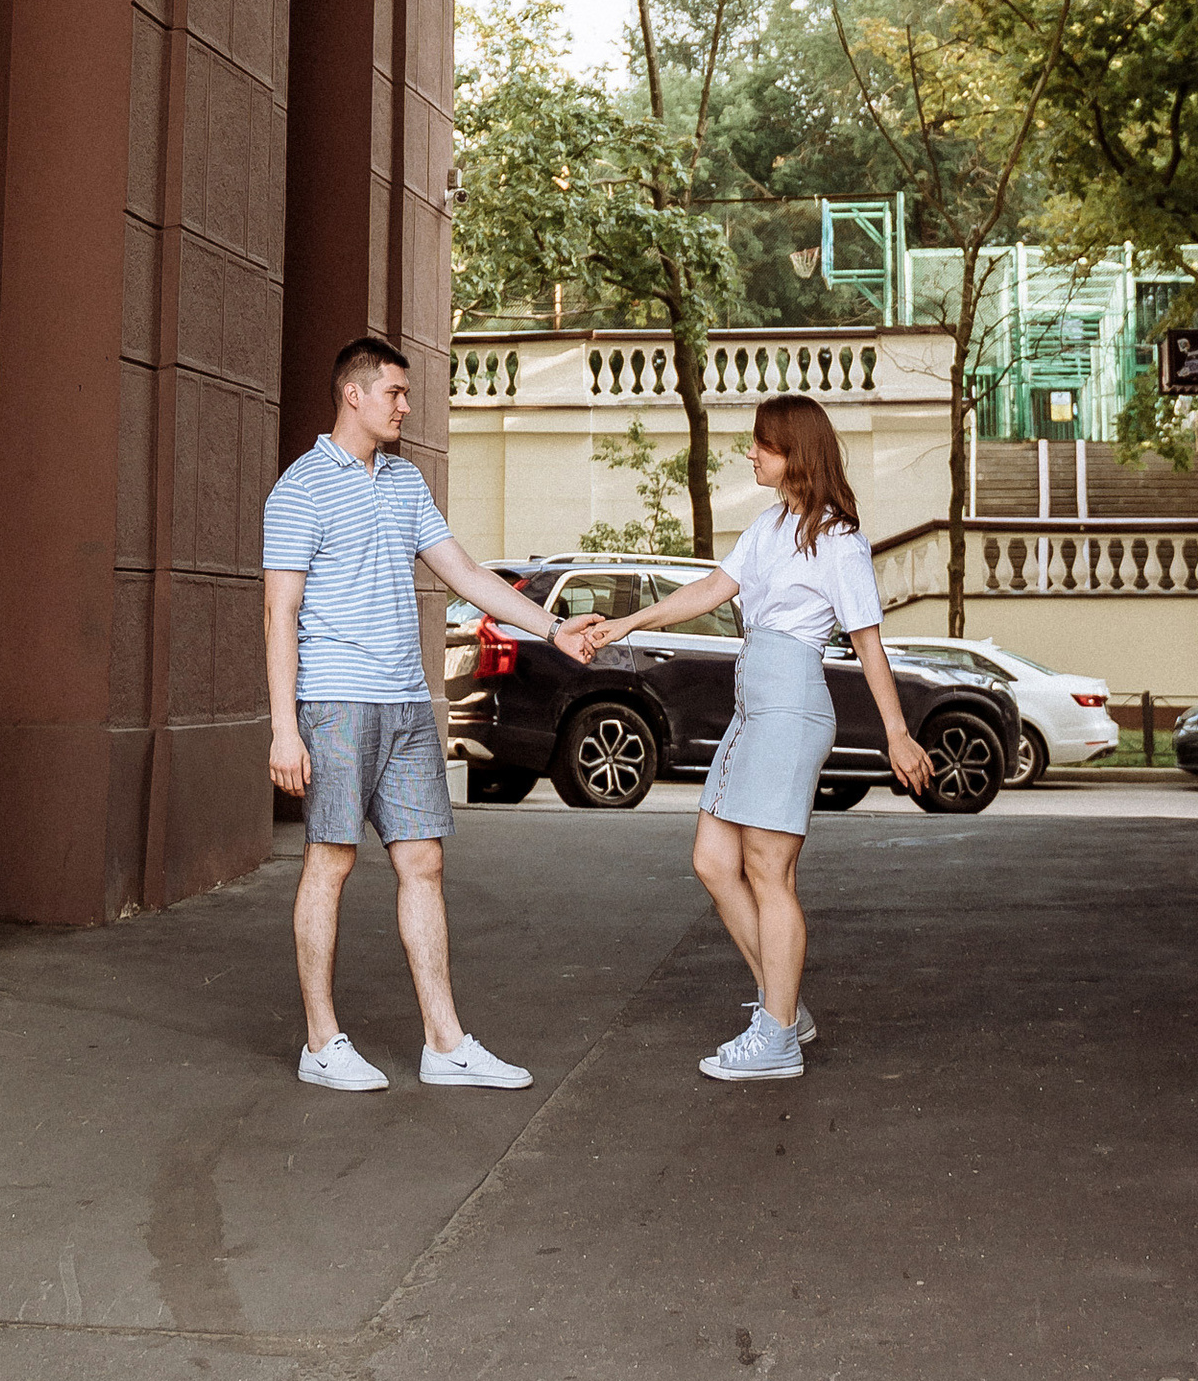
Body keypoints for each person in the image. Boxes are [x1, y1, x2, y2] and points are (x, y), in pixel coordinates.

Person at [262, 332, 599, 1093]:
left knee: (425, 862)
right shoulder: (300, 488)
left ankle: (445, 1043)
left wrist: (552, 627)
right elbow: (278, 613)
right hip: (337, 701)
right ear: (354, 394)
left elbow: (465, 573)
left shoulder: (406, 484)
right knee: (333, 859)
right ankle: (322, 1042)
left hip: (408, 702)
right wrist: (285, 726)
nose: (406, 407)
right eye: (395, 393)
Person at [578, 392, 932, 1082]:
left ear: (795, 452)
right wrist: (627, 624)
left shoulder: (837, 539)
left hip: (792, 704)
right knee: (714, 861)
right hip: (753, 708)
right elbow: (711, 589)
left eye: (762, 445)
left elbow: (867, 642)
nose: (751, 454)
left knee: (770, 872)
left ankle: (774, 1035)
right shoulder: (770, 528)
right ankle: (784, 1002)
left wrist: (896, 731)